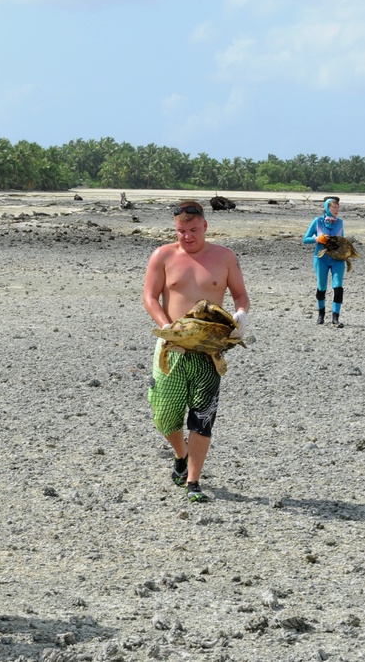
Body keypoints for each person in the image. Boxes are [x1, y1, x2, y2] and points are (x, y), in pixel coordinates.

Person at [143, 200, 250, 503]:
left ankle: (193, 481)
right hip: (171, 346)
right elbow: (150, 297)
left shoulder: (225, 257)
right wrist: (167, 329)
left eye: (192, 230)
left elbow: (241, 295)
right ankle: (181, 453)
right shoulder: (162, 255)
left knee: (202, 417)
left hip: (209, 349)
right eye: (181, 231)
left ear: (205, 226)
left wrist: (241, 314)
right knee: (164, 415)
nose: (187, 236)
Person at [303, 196, 346, 327]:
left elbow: (342, 240)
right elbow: (305, 239)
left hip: (337, 259)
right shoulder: (317, 221)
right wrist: (318, 239)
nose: (336, 209)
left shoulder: (340, 222)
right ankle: (321, 315)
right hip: (321, 259)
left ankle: (335, 318)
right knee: (322, 288)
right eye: (333, 207)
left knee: (338, 288)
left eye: (338, 207)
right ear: (327, 208)